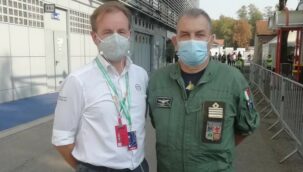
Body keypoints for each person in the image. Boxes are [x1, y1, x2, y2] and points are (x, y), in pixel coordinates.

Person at [147, 8, 259, 172]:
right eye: (185, 35)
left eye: (199, 35)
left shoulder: (233, 79)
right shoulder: (158, 80)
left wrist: (217, 149)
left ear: (211, 40)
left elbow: (246, 127)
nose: (192, 40)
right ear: (175, 40)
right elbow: (157, 123)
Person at [52, 2, 149, 172]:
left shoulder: (141, 75)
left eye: (121, 32)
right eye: (107, 32)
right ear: (95, 37)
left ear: (129, 34)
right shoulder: (78, 81)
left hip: (139, 166)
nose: (116, 37)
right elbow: (62, 139)